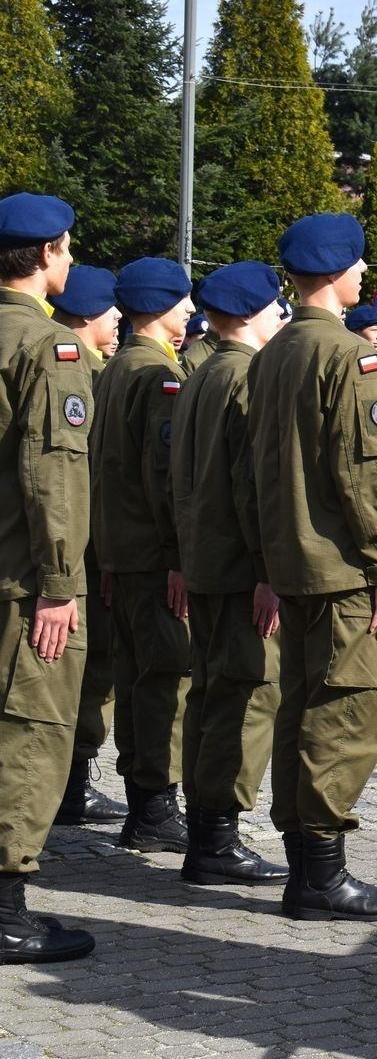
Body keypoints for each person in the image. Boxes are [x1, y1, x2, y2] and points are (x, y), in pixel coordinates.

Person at [249, 212, 377, 921]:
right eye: (359, 265)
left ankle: (305, 868)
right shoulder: (349, 356)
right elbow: (367, 473)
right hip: (344, 569)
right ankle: (321, 876)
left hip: (291, 562)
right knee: (344, 714)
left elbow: (252, 471)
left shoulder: (271, 354)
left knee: (300, 711)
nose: (364, 277)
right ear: (338, 271)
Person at [170, 260, 292, 887]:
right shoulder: (245, 378)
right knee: (248, 695)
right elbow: (251, 487)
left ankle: (205, 830)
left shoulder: (201, 374)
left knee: (211, 695)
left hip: (206, 562)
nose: (282, 315)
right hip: (240, 568)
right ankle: (218, 837)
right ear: (248, 315)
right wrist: (269, 570)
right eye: (275, 307)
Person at [0, 192, 98, 963]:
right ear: (47, 252)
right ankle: (6, 912)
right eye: (66, 248)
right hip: (24, 580)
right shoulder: (46, 347)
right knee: (30, 736)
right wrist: (60, 585)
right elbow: (52, 473)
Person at [92, 256, 195, 854]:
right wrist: (179, 557)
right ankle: (156, 808)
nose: (189, 312)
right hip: (154, 559)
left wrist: (108, 556)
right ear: (162, 306)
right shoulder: (156, 373)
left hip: (123, 553)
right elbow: (163, 478)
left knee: (135, 679)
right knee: (164, 681)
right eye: (182, 301)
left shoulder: (114, 369)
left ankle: (143, 804)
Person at [46, 265, 127, 827]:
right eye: (110, 308)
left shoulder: (101, 371)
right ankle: (71, 785)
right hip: (86, 552)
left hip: (84, 548)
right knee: (88, 672)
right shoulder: (83, 373)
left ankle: (73, 782)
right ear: (89, 313)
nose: (119, 318)